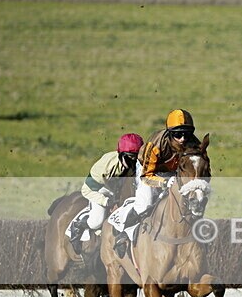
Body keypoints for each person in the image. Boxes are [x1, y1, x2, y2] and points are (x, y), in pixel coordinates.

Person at [113, 109, 207, 257]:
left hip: (174, 172)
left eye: (187, 134)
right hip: (149, 171)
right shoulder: (155, 144)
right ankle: (123, 232)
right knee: (146, 202)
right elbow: (146, 176)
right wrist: (164, 183)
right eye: (178, 134)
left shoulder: (194, 144)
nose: (183, 138)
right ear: (170, 133)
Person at [68, 133, 143, 255]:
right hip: (101, 190)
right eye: (130, 157)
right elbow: (86, 190)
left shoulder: (138, 164)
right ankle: (78, 225)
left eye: (137, 158)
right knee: (96, 221)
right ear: (120, 154)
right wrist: (106, 201)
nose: (134, 162)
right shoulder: (105, 167)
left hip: (118, 190)